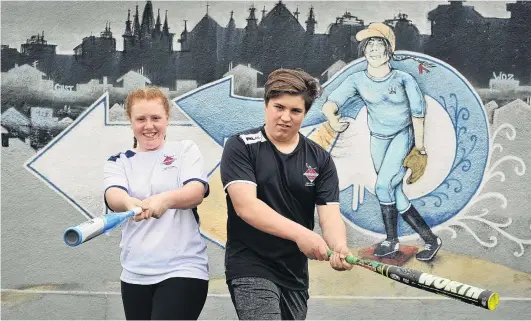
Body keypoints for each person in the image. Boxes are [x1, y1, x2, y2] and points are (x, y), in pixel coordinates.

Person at [220, 68, 354, 320]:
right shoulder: (240, 146)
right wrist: (303, 235)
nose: (285, 117)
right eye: (278, 107)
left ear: (305, 113)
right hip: (251, 264)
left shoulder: (320, 159)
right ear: (266, 105)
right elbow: (246, 207)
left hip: (294, 272)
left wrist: (339, 247)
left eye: (295, 111)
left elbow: (329, 216)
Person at [321, 23, 442, 261]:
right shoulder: (357, 80)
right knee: (395, 193)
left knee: (382, 187)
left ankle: (391, 241)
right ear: (364, 51)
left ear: (389, 50)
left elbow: (418, 114)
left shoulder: (404, 79)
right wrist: (332, 120)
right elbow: (330, 103)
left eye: (379, 45)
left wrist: (420, 149)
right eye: (369, 46)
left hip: (402, 136)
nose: (373, 50)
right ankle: (431, 239)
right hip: (378, 139)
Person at [104, 87, 210, 320]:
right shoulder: (119, 161)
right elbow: (113, 196)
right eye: (140, 119)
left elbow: (196, 191)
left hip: (183, 269)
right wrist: (128, 202)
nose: (149, 126)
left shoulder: (184, 150)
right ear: (130, 121)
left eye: (155, 118)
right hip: (134, 272)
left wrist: (165, 199)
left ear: (167, 119)